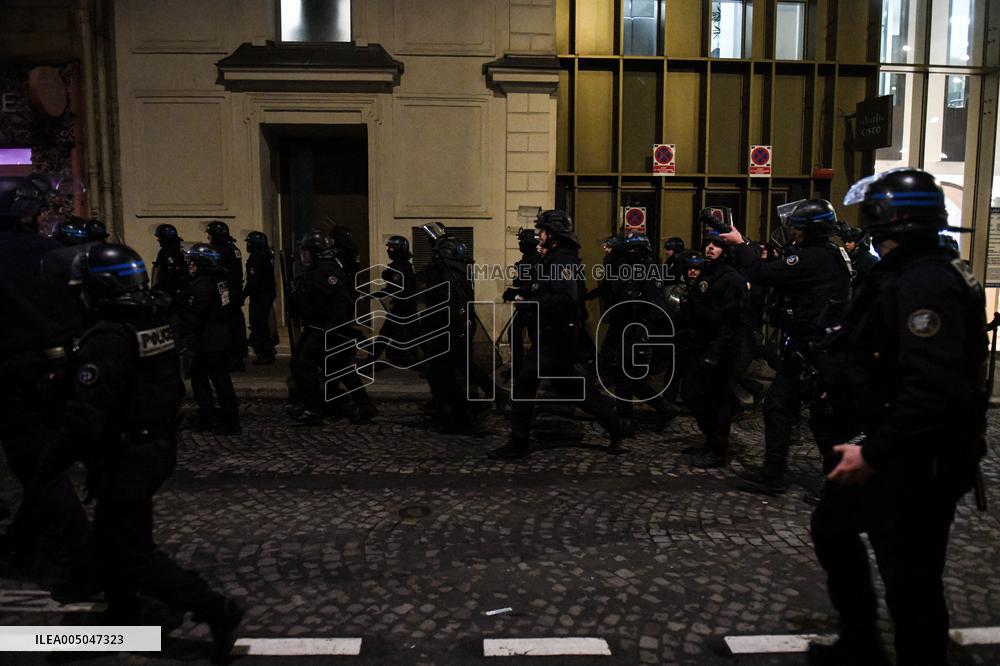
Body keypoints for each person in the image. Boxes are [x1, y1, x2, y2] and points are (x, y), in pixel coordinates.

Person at [806, 167, 986, 665]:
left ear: (891, 221)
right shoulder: (911, 271)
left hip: (916, 461)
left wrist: (874, 451)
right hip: (891, 448)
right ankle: (860, 642)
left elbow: (931, 388)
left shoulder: (926, 281)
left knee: (910, 578)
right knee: (833, 528)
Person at [35, 243, 243, 662]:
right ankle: (124, 614)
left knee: (131, 551)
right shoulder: (149, 323)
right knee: (113, 539)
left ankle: (214, 608)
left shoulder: (108, 338)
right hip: (151, 444)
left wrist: (49, 464)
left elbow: (87, 414)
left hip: (130, 451)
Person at [718, 199, 853, 494]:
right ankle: (774, 473)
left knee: (822, 420)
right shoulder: (829, 253)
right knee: (779, 405)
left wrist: (740, 244)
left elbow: (762, 274)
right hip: (812, 350)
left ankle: (839, 490)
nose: (792, 233)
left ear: (811, 231)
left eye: (798, 228)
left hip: (816, 352)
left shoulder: (814, 257)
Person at [0, 176, 94, 599]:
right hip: (60, 368)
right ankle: (20, 544)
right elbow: (79, 311)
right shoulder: (53, 253)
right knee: (46, 460)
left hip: (13, 373)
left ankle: (82, 556)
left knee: (37, 466)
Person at [489, 210, 624, 460]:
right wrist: (521, 292)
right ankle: (615, 424)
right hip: (552, 336)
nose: (538, 235)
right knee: (572, 388)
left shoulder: (562, 260)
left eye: (542, 230)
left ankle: (519, 442)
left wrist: (527, 300)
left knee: (525, 383)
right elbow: (545, 288)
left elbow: (565, 297)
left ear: (552, 234)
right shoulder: (554, 258)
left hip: (557, 338)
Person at [288, 230, 376, 426]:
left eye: (307, 251)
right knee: (339, 367)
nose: (304, 256)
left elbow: (341, 301)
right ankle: (363, 406)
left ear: (315, 251)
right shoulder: (321, 268)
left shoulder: (324, 270)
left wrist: (331, 329)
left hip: (325, 328)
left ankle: (314, 408)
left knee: (304, 365)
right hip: (322, 327)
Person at [678, 233, 748, 467]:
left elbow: (731, 321)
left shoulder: (732, 279)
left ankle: (718, 449)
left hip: (720, 349)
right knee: (691, 393)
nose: (710, 247)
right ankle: (710, 439)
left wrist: (715, 353)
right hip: (699, 343)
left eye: (717, 245)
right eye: (708, 243)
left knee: (717, 400)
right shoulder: (707, 273)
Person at [421, 233, 487, 435]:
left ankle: (464, 420)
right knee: (445, 375)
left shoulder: (450, 277)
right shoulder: (453, 274)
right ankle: (456, 414)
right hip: (450, 332)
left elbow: (449, 307)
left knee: (449, 377)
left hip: (449, 333)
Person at [177, 243, 240, 435]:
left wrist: (185, 335)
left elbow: (196, 313)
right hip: (220, 334)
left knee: (214, 378)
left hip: (209, 337)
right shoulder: (220, 279)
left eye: (193, 262)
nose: (190, 266)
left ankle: (221, 420)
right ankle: (213, 417)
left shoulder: (203, 284)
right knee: (209, 376)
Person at [206, 220, 248, 372]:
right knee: (237, 324)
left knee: (227, 326)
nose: (208, 238)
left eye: (210, 235)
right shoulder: (233, 248)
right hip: (235, 291)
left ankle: (230, 358)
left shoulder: (219, 250)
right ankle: (238, 357)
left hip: (226, 293)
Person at [369, 235, 418, 366]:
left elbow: (392, 289)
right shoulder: (402, 265)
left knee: (388, 334)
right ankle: (370, 359)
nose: (389, 250)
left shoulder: (401, 268)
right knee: (389, 334)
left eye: (392, 248)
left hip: (403, 308)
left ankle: (428, 364)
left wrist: (372, 295)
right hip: (404, 307)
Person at [503, 228, 542, 378]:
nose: (520, 244)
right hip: (528, 304)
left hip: (530, 304)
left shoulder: (533, 258)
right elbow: (520, 280)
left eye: (521, 241)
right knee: (531, 336)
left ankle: (522, 368)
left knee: (516, 333)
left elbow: (532, 283)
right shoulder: (529, 257)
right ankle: (527, 368)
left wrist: (517, 293)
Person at [244, 231, 278, 364]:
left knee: (259, 325)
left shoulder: (257, 258)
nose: (248, 245)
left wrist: (243, 294)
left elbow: (253, 281)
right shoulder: (264, 256)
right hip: (265, 295)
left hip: (260, 296)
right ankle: (267, 349)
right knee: (262, 324)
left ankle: (265, 353)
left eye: (250, 243)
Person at [152, 223, 189, 313]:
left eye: (160, 238)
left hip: (169, 291)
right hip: (183, 291)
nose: (158, 240)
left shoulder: (164, 252)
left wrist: (156, 289)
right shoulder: (182, 248)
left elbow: (160, 271)